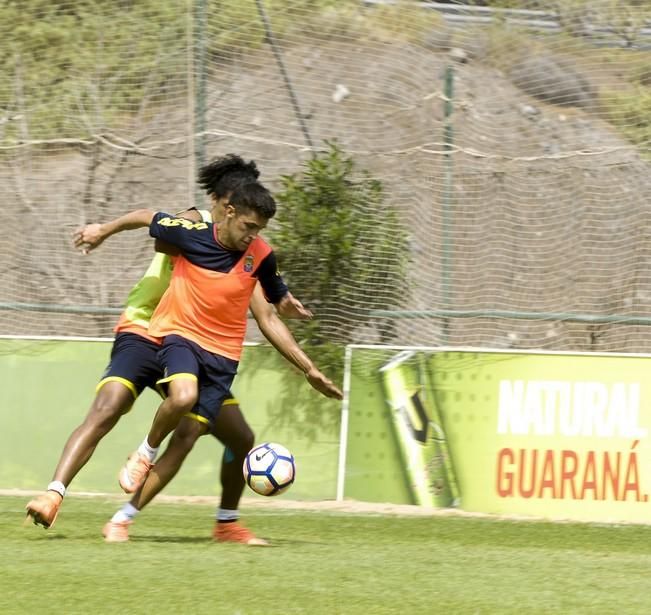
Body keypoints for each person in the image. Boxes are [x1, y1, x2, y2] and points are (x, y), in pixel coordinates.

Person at [25, 156, 341, 545]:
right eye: (226, 201)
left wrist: (288, 313)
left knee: (235, 436)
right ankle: (53, 493)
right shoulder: (190, 226)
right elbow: (149, 222)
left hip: (199, 345)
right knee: (110, 406)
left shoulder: (250, 249)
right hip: (146, 331)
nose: (248, 226)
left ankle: (212, 522)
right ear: (223, 202)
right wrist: (102, 230)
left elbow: (263, 308)